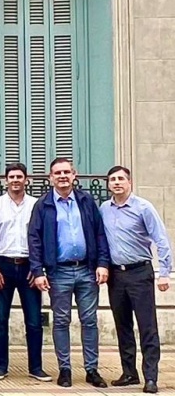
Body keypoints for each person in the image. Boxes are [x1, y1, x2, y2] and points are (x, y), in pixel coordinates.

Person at [28, 158, 110, 389]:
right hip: (58, 272)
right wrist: (38, 271)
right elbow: (34, 239)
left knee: (90, 320)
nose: (62, 176)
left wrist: (103, 263)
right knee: (61, 321)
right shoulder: (43, 205)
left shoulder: (86, 201)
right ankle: (64, 369)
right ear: (50, 178)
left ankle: (92, 369)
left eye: (66, 172)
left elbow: (100, 233)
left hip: (87, 270)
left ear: (74, 175)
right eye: (58, 173)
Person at [100, 166, 172, 394]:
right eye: (112, 179)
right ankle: (129, 373)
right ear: (108, 184)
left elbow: (161, 240)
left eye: (121, 178)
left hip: (140, 272)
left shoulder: (143, 207)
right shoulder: (104, 209)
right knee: (122, 326)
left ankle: (150, 377)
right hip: (116, 276)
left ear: (129, 182)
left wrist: (164, 273)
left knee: (147, 326)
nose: (116, 182)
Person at [0, 163, 50, 382]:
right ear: (5, 180)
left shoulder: (36, 205)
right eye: (11, 177)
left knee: (34, 320)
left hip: (29, 266)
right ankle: (1, 366)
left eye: (19, 176)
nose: (15, 180)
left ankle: (36, 367)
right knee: (0, 320)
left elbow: (42, 238)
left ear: (26, 180)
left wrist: (38, 267)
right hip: (2, 265)